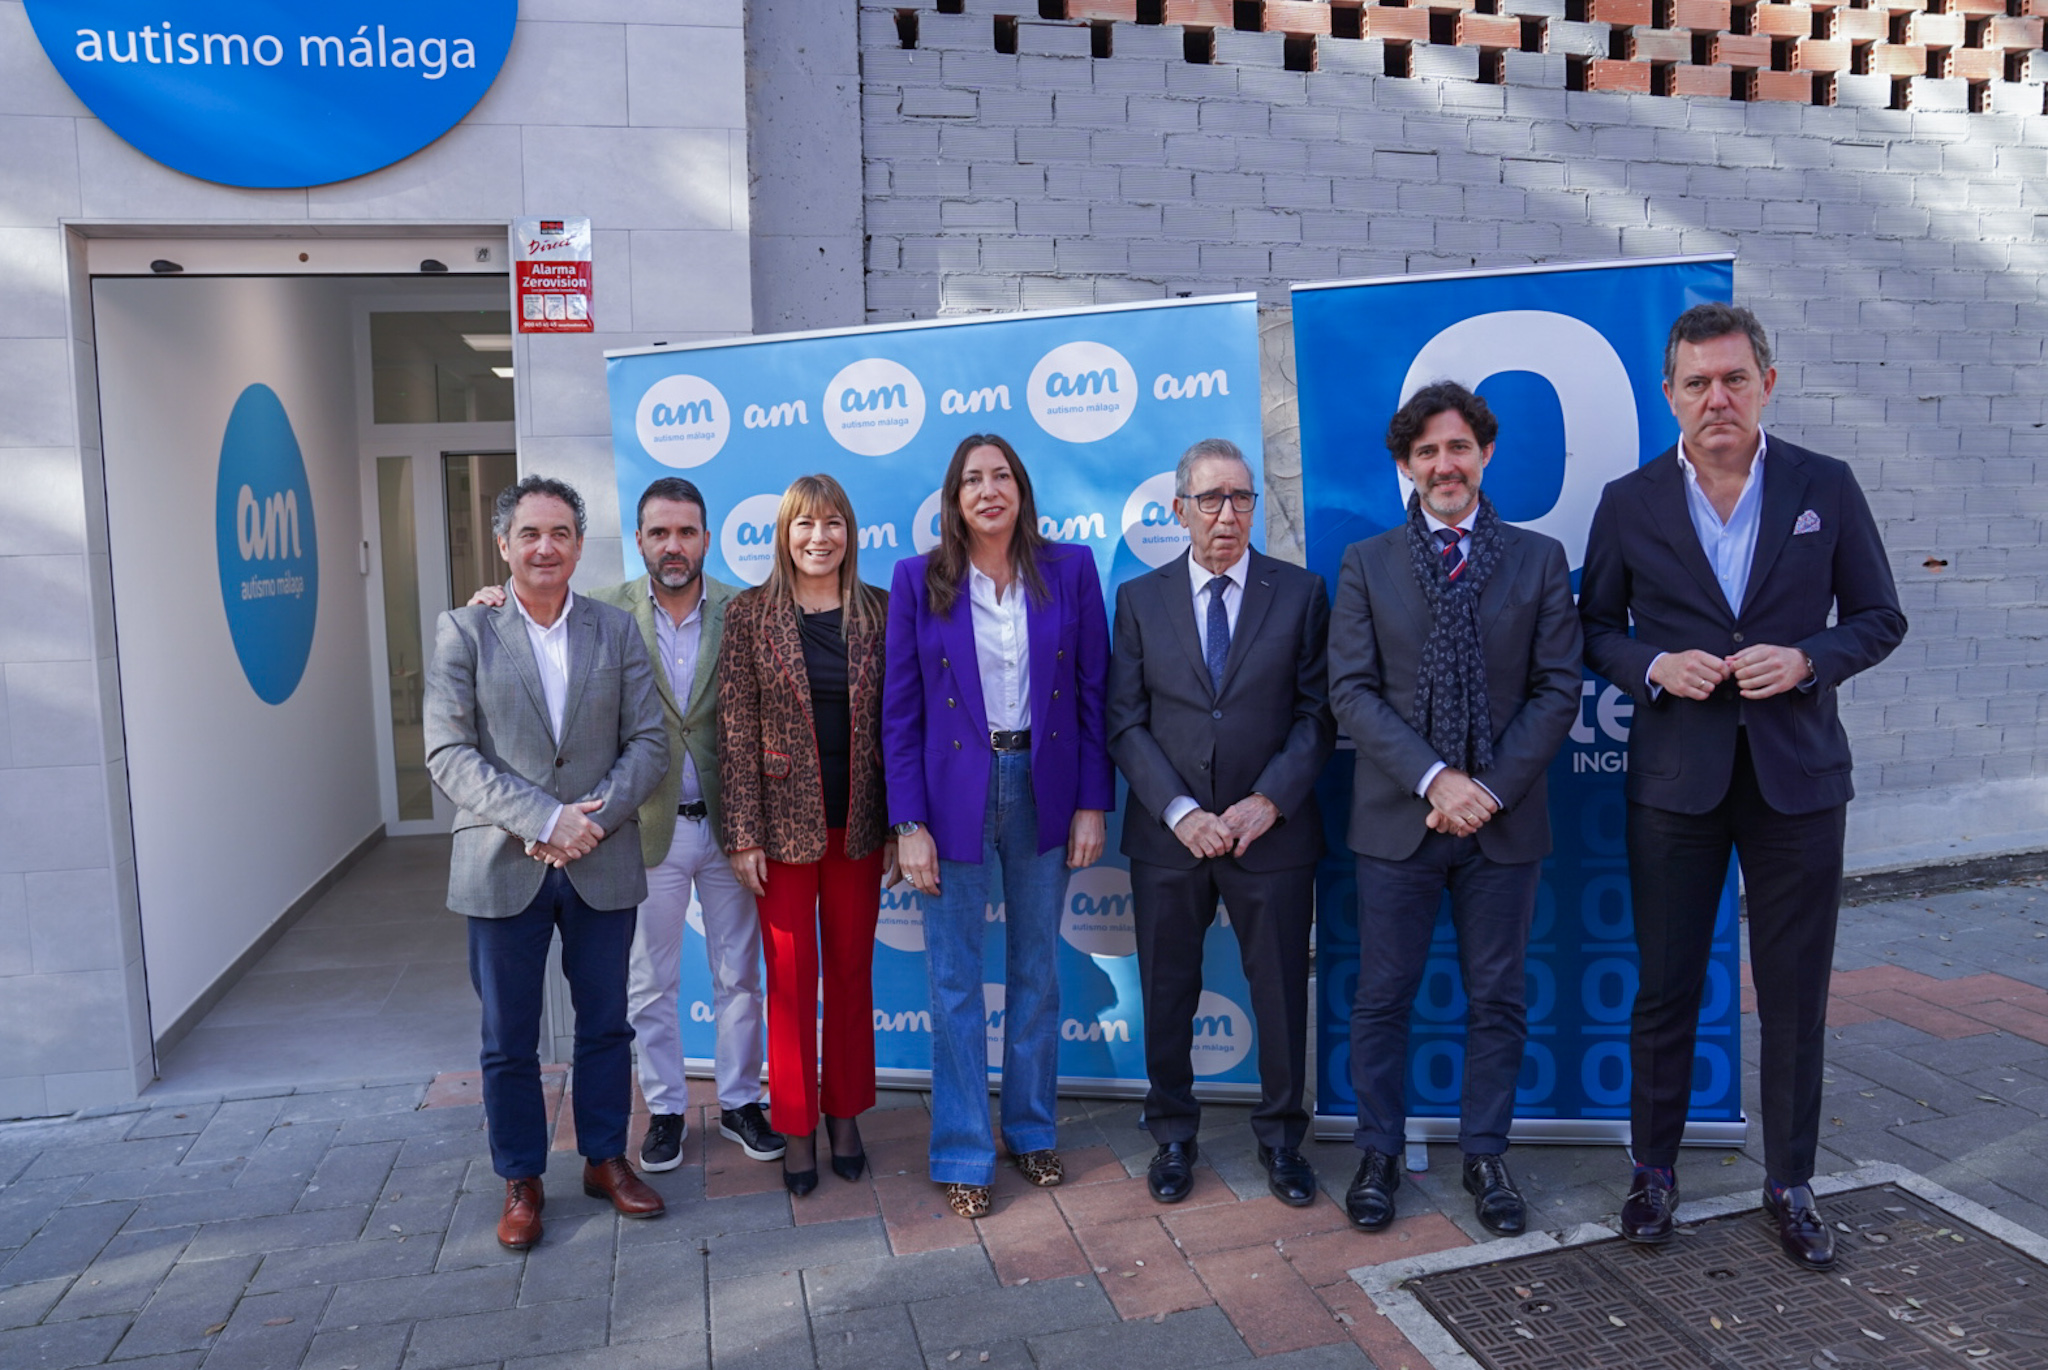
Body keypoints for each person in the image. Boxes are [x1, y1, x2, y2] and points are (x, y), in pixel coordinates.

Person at [1580, 303, 1906, 1270]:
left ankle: (1792, 1181)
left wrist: (1809, 660)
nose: (1715, 398)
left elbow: (1880, 616)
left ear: (1767, 383)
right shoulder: (1628, 499)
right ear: (1669, 394)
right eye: (1696, 383)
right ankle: (1655, 1173)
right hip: (1677, 781)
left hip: (1797, 780)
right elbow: (1593, 626)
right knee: (1667, 987)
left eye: (1733, 379)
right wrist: (1651, 668)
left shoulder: (1826, 486)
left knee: (1797, 991)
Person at [471, 477, 783, 1175]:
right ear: (638, 541)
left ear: (706, 538)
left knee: (740, 974)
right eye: (659, 533)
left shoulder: (748, 611)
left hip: (734, 827)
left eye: (687, 532)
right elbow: (524, 624)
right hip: (639, 829)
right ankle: (666, 1109)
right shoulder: (602, 612)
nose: (674, 546)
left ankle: (739, 1100)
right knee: (650, 980)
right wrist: (488, 601)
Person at [1326, 385, 1582, 1236]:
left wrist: (1488, 790)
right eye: (1428, 451)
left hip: (1503, 821)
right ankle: (1378, 1152)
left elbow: (1556, 690)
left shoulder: (1539, 559)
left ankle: (1486, 1153)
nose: (1445, 465)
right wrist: (1438, 780)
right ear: (1406, 464)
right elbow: (1352, 694)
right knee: (1383, 995)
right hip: (1400, 818)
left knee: (1498, 995)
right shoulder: (1367, 561)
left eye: (1460, 448)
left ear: (1486, 455)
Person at [424, 475, 670, 1252]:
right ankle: (522, 1178)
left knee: (606, 1027)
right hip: (503, 862)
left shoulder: (616, 630)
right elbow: (448, 751)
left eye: (560, 533)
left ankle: (604, 1159)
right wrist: (544, 819)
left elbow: (650, 744)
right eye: (529, 533)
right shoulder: (465, 631)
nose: (544, 547)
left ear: (577, 544)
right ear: (504, 545)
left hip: (599, 858)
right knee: (509, 1038)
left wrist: (586, 824)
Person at [884, 434, 1114, 1220]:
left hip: (1043, 786)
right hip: (953, 794)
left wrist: (1092, 800)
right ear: (954, 500)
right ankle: (961, 1150)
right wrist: (907, 822)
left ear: (1021, 489)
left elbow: (1093, 693)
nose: (989, 489)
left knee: (1035, 972)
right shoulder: (919, 581)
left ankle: (1030, 1128)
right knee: (953, 980)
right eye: (972, 479)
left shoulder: (1070, 570)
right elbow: (901, 713)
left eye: (1002, 476)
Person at [1106, 438, 1335, 1209]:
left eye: (1241, 498)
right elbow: (1125, 723)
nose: (1228, 515)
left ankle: (1281, 1140)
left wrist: (1268, 800)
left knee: (1277, 993)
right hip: (1170, 838)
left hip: (1271, 834)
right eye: (1210, 499)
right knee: (1168, 991)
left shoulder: (1300, 594)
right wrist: (1179, 812)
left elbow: (1317, 716)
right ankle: (1172, 1134)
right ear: (1180, 510)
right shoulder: (1139, 600)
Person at [717, 474, 893, 1196]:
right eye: (804, 526)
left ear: (850, 534)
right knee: (790, 986)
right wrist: (743, 834)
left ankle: (844, 1115)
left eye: (833, 525)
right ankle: (794, 1127)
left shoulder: (882, 611)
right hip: (780, 832)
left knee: (851, 974)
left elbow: (900, 723)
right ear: (783, 536)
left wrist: (902, 824)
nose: (819, 538)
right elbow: (734, 729)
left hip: (860, 826)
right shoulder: (749, 615)